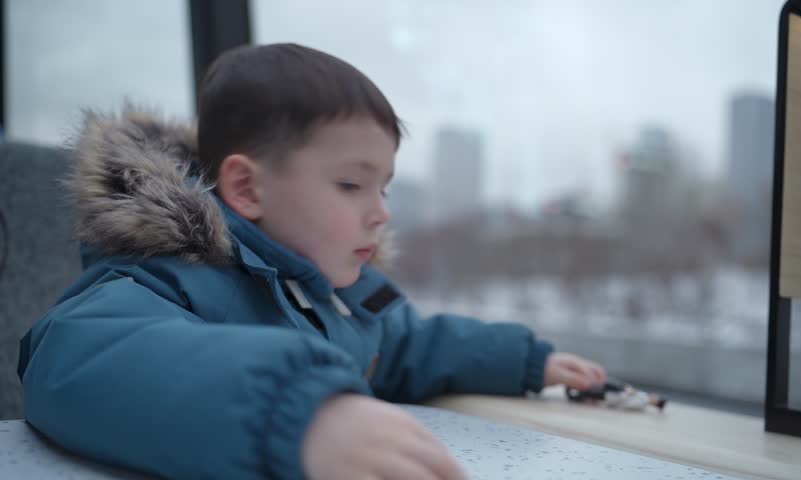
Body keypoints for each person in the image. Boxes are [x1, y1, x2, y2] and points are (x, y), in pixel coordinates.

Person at [17, 43, 606, 480]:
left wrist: (525, 359)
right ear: (247, 189)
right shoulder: (168, 279)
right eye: (351, 185)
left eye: (385, 189)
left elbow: (409, 345)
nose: (381, 214)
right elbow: (79, 356)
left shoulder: (343, 300)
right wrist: (300, 414)